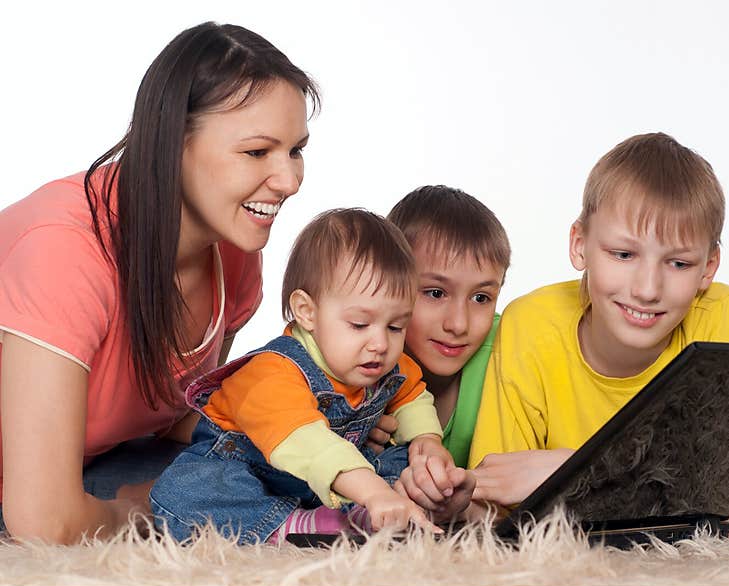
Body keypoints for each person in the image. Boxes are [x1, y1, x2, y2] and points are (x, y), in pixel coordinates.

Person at [465, 132, 729, 537]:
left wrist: (570, 469)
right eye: (623, 255)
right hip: (677, 482)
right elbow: (493, 499)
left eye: (678, 264)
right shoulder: (530, 324)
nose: (647, 289)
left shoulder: (723, 316)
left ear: (708, 267)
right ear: (579, 245)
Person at [0, 22, 320, 544]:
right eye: (258, 152)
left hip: (94, 465)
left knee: (287, 465)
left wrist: (305, 421)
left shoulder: (234, 247)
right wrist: (139, 510)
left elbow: (177, 421)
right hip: (22, 495)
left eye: (296, 150)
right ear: (174, 143)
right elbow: (43, 523)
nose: (288, 181)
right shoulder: (64, 251)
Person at [149, 209, 474, 545]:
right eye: (360, 325)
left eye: (395, 327)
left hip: (335, 478)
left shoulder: (386, 363)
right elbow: (308, 443)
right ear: (307, 311)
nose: (380, 344)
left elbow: (411, 394)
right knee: (183, 492)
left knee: (405, 460)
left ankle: (380, 512)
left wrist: (427, 442)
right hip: (253, 471)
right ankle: (290, 524)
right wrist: (374, 490)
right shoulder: (272, 373)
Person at [366, 185, 511, 516]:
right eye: (435, 293)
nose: (458, 324)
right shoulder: (356, 353)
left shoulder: (508, 353)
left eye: (481, 298)